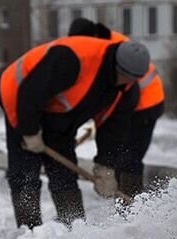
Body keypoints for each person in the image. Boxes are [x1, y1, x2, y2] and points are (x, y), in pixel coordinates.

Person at [0, 36, 148, 229]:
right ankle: (29, 230)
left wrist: (105, 167)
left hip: (58, 113)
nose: (126, 82)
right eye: (124, 76)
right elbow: (31, 92)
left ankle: (74, 227)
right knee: (25, 170)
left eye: (132, 79)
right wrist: (29, 132)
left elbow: (113, 130)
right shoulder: (72, 60)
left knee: (64, 171)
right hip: (19, 96)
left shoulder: (127, 91)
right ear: (115, 65)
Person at [69, 18, 166, 198]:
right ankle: (124, 200)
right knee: (121, 155)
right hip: (132, 103)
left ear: (91, 37)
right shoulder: (104, 43)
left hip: (146, 104)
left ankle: (131, 205)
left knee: (129, 158)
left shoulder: (111, 48)